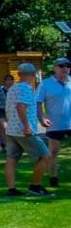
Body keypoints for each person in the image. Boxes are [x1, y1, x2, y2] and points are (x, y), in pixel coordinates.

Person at [4, 61, 51, 196]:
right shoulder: (26, 88)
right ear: (33, 75)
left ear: (18, 74)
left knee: (11, 159)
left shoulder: (13, 88)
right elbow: (20, 106)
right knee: (45, 156)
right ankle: (35, 187)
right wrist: (27, 126)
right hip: (24, 130)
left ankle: (11, 189)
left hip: (11, 129)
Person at [40, 58, 71, 188]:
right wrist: (41, 118)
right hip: (54, 123)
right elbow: (38, 102)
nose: (65, 68)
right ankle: (53, 178)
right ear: (55, 68)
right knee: (53, 151)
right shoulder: (46, 83)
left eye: (67, 66)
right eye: (61, 66)